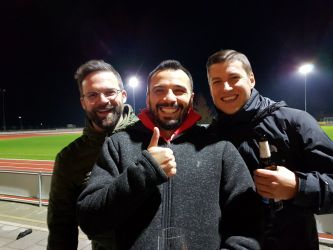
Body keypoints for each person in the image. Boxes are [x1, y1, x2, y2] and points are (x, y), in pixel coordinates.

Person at [76, 60, 263, 250]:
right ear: (148, 98)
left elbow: (250, 226)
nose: (169, 98)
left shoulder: (220, 147)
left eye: (179, 90)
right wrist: (144, 171)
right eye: (159, 90)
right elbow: (89, 220)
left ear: (191, 98)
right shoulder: (118, 144)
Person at [206, 49, 333, 250]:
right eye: (217, 81)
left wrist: (298, 187)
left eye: (234, 78)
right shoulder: (209, 137)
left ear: (251, 79)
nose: (226, 87)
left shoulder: (295, 122)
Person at [47, 60, 138, 250]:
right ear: (83, 102)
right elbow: (61, 230)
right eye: (93, 95)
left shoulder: (151, 137)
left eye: (109, 92)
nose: (103, 100)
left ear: (123, 95)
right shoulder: (69, 159)